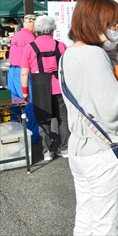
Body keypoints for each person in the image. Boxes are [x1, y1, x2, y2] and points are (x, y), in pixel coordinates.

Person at [59, 0, 118, 235]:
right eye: (112, 24)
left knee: (85, 217)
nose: (116, 29)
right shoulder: (93, 55)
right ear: (95, 23)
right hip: (102, 151)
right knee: (105, 224)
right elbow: (113, 110)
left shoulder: (68, 54)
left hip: (79, 147)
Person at [20, 16, 69, 161]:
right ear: (52, 30)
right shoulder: (60, 46)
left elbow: (24, 72)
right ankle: (65, 148)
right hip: (59, 86)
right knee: (63, 119)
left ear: (37, 29)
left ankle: (47, 151)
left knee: (43, 119)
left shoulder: (30, 47)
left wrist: (25, 92)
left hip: (39, 86)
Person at [7, 14, 39, 144]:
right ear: (33, 24)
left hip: (12, 72)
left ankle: (15, 136)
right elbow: (33, 58)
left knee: (14, 105)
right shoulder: (30, 37)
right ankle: (33, 138)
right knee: (28, 103)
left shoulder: (17, 35)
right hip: (22, 72)